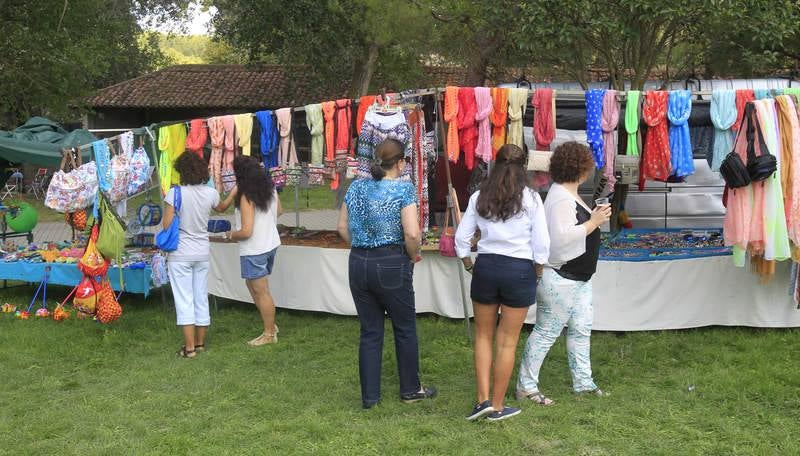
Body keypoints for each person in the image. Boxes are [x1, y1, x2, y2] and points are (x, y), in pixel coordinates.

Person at [337, 138, 437, 409]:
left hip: (358, 262)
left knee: (370, 332)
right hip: (391, 261)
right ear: (401, 162)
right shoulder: (404, 189)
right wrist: (412, 254)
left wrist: (362, 247)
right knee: (404, 328)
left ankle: (370, 398)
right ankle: (411, 389)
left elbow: (342, 228)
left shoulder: (356, 186)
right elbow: (412, 233)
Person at [455, 144, 550, 422]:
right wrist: (539, 271)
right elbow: (542, 244)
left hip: (486, 266)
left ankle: (481, 400)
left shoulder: (479, 195)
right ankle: (497, 406)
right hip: (519, 269)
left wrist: (469, 264)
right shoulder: (532, 198)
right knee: (507, 342)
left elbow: (462, 239)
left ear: (495, 165)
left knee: (483, 336)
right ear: (524, 168)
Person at [516, 141, 612, 405]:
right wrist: (594, 222)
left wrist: (594, 218)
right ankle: (525, 386)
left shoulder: (567, 194)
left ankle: (583, 382)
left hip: (577, 278)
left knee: (581, 330)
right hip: (561, 276)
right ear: (582, 169)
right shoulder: (560, 198)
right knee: (547, 332)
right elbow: (560, 240)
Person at [163, 152, 233, 358]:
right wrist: (233, 193)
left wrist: (176, 214)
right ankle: (200, 344)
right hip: (202, 251)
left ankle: (190, 348)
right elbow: (221, 208)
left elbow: (166, 225)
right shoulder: (210, 193)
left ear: (181, 171)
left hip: (180, 253)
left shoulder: (175, 194)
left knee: (184, 300)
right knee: (201, 297)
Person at [219, 155, 283, 346]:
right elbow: (279, 211)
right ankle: (270, 324)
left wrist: (229, 235)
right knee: (253, 285)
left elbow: (246, 232)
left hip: (255, 248)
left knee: (261, 291)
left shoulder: (247, 195)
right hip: (270, 244)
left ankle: (269, 334)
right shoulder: (269, 187)